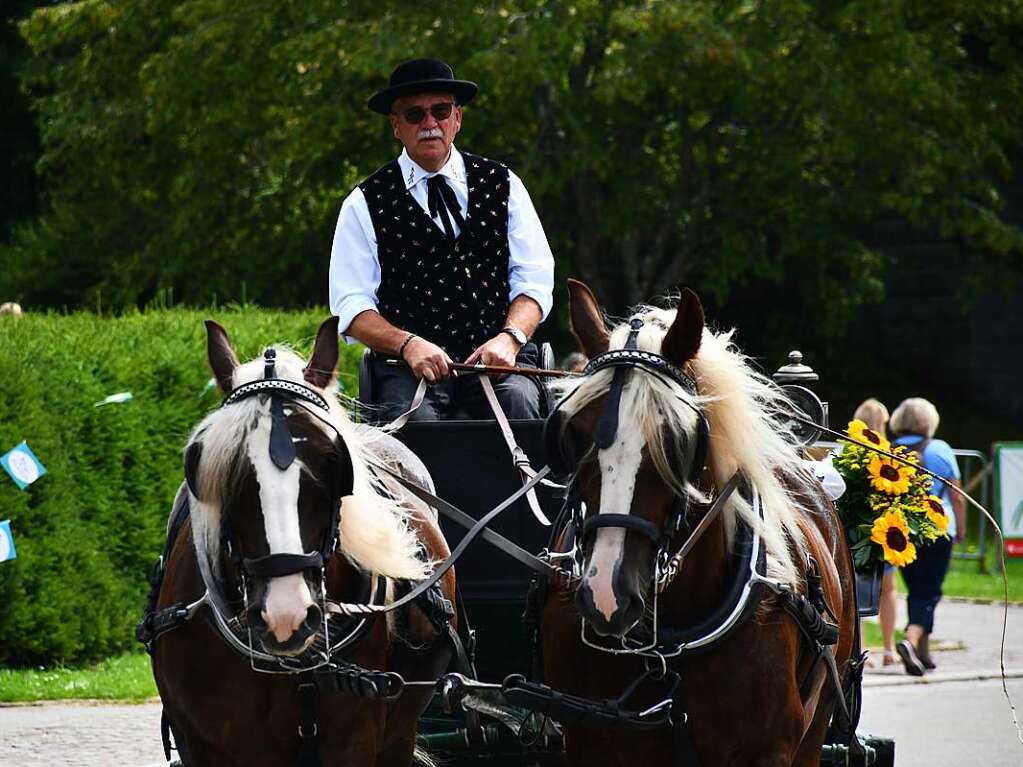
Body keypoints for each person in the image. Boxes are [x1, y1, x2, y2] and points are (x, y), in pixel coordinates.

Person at [329, 58, 555, 421]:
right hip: (407, 370)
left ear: (458, 118)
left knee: (520, 407)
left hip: (498, 362)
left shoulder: (504, 184)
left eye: (440, 110)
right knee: (409, 424)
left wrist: (509, 338)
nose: (430, 123)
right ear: (396, 126)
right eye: (415, 115)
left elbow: (534, 280)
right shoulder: (363, 204)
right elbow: (351, 306)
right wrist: (408, 344)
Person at [890, 397, 966, 676]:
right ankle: (911, 640)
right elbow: (956, 495)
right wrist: (962, 527)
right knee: (929, 591)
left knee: (916, 590)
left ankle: (923, 652)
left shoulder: (892, 449)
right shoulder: (940, 449)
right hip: (938, 529)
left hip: (901, 531)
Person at [853, 398, 898, 668]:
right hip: (886, 530)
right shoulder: (892, 457)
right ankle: (889, 649)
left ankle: (861, 648)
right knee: (888, 590)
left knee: (856, 593)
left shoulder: (850, 452)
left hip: (857, 531)